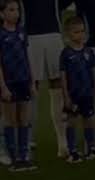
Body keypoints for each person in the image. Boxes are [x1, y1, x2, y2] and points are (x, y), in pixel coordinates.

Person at [22, 0, 68, 158]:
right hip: (30, 36)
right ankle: (27, 139)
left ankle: (62, 141)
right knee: (31, 88)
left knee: (58, 86)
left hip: (53, 35)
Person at [0, 0, 37, 171]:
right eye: (11, 10)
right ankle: (13, 158)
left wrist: (32, 81)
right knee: (10, 120)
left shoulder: (22, 33)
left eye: (17, 10)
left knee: (24, 119)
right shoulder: (1, 34)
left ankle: (24, 156)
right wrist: (3, 87)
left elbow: (26, 58)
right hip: (8, 82)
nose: (15, 13)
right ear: (2, 14)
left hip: (23, 81)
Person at [60, 17, 95, 163]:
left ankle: (91, 148)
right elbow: (63, 77)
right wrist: (66, 97)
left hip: (87, 93)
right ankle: (73, 151)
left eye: (82, 31)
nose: (80, 35)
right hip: (73, 94)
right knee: (72, 122)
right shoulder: (66, 54)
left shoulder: (89, 51)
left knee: (89, 120)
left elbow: (93, 74)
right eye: (76, 32)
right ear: (69, 34)